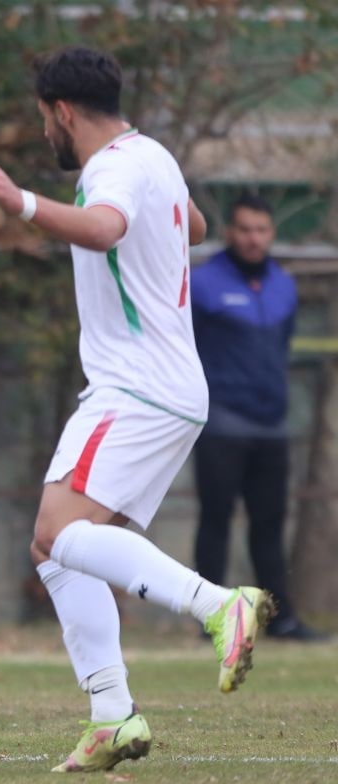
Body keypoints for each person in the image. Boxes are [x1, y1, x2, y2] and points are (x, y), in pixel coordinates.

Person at [0, 46, 275, 773]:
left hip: (135, 387)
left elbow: (103, 229)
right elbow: (192, 226)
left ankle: (219, 604)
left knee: (54, 530)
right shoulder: (153, 156)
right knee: (60, 551)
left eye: (45, 121)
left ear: (63, 112)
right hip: (172, 389)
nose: (46, 136)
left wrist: (20, 201)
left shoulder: (113, 169)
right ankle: (112, 717)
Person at [191, 195, 327, 641]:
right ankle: (210, 619)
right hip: (222, 423)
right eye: (245, 229)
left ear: (271, 234)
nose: (254, 239)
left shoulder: (282, 286)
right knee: (216, 519)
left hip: (272, 425)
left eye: (262, 230)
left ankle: (279, 620)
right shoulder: (204, 283)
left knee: (269, 524)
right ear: (230, 232)